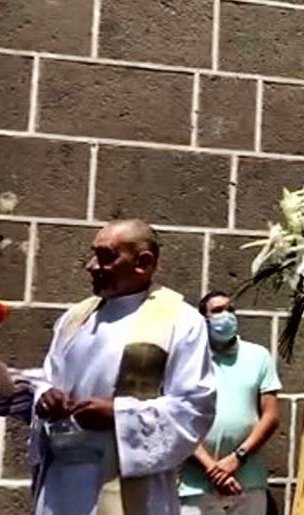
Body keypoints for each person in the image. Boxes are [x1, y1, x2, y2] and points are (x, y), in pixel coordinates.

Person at [31, 219, 217, 515]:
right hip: (60, 488)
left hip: (133, 491)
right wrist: (45, 396)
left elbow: (195, 407)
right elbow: (46, 378)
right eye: (94, 255)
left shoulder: (180, 321)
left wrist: (119, 416)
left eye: (106, 257)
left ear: (143, 262)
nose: (92, 266)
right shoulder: (74, 319)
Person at [179, 291, 282, 515]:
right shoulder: (188, 360)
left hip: (247, 484)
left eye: (230, 309)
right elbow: (177, 420)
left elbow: (271, 416)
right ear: (203, 320)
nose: (226, 315)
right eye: (217, 311)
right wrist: (212, 469)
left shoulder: (258, 356)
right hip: (195, 486)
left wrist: (238, 458)